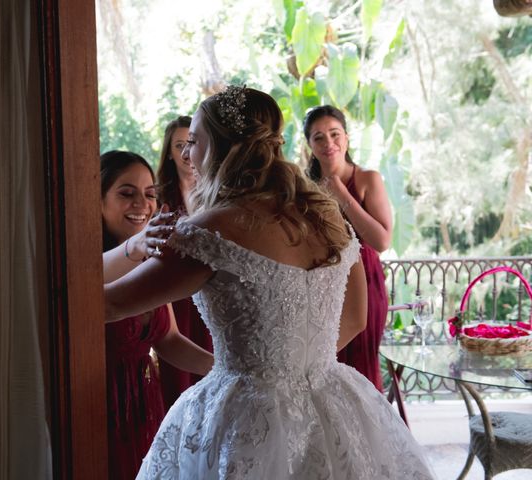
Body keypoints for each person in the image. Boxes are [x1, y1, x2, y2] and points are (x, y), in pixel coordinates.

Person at [104, 88, 434, 478]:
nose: (187, 155)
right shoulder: (328, 218)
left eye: (194, 141)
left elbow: (104, 306)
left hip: (248, 418)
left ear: (221, 147)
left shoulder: (209, 232)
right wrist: (294, 367)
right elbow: (356, 318)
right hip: (334, 400)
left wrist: (132, 248)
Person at [99, 150, 214, 480]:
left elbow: (169, 339)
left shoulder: (149, 262)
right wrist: (133, 248)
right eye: (126, 193)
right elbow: (85, 294)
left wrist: (224, 367)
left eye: (149, 194)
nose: (141, 204)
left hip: (145, 403)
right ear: (98, 200)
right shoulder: (78, 262)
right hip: (97, 405)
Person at [303, 105, 392, 392]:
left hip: (365, 282)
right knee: (323, 371)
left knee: (362, 373)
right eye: (319, 137)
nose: (329, 143)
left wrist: (342, 195)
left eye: (334, 134)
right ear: (310, 146)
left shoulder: (368, 179)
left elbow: (381, 241)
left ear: (347, 138)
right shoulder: (304, 188)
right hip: (322, 287)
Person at [155, 115, 214, 408]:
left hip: (210, 294)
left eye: (190, 143)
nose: (185, 152)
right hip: (173, 296)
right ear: (168, 152)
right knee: (177, 377)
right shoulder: (157, 197)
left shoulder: (217, 195)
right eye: (178, 145)